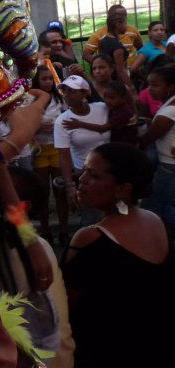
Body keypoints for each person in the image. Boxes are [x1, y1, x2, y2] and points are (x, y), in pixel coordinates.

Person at [63, 143, 175, 368]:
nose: (81, 180)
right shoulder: (155, 221)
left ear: (123, 189)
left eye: (94, 176)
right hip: (160, 362)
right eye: (84, 171)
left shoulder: (90, 237)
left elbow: (65, 306)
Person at [54, 76, 110, 226]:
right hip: (85, 174)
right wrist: (70, 187)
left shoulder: (102, 108)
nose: (67, 95)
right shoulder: (62, 121)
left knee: (111, 214)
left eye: (73, 91)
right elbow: (64, 155)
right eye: (65, 91)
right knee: (90, 218)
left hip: (110, 170)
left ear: (85, 93)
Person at [31, 65, 69, 244]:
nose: (47, 82)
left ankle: (63, 231)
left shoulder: (59, 99)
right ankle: (45, 232)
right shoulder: (30, 100)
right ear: (36, 81)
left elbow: (67, 118)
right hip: (39, 150)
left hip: (57, 148)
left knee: (60, 190)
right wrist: (37, 127)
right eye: (43, 79)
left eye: (49, 79)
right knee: (43, 192)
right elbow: (22, 125)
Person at [140, 64, 175, 228]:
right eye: (148, 85)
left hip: (169, 167)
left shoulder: (169, 111)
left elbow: (147, 139)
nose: (150, 89)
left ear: (170, 87)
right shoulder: (169, 105)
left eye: (155, 85)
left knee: (152, 208)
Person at [62, 79, 138, 146]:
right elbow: (92, 99)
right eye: (105, 97)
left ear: (123, 98)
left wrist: (79, 124)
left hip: (126, 148)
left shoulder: (124, 112)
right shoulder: (110, 106)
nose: (107, 101)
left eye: (112, 97)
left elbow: (103, 128)